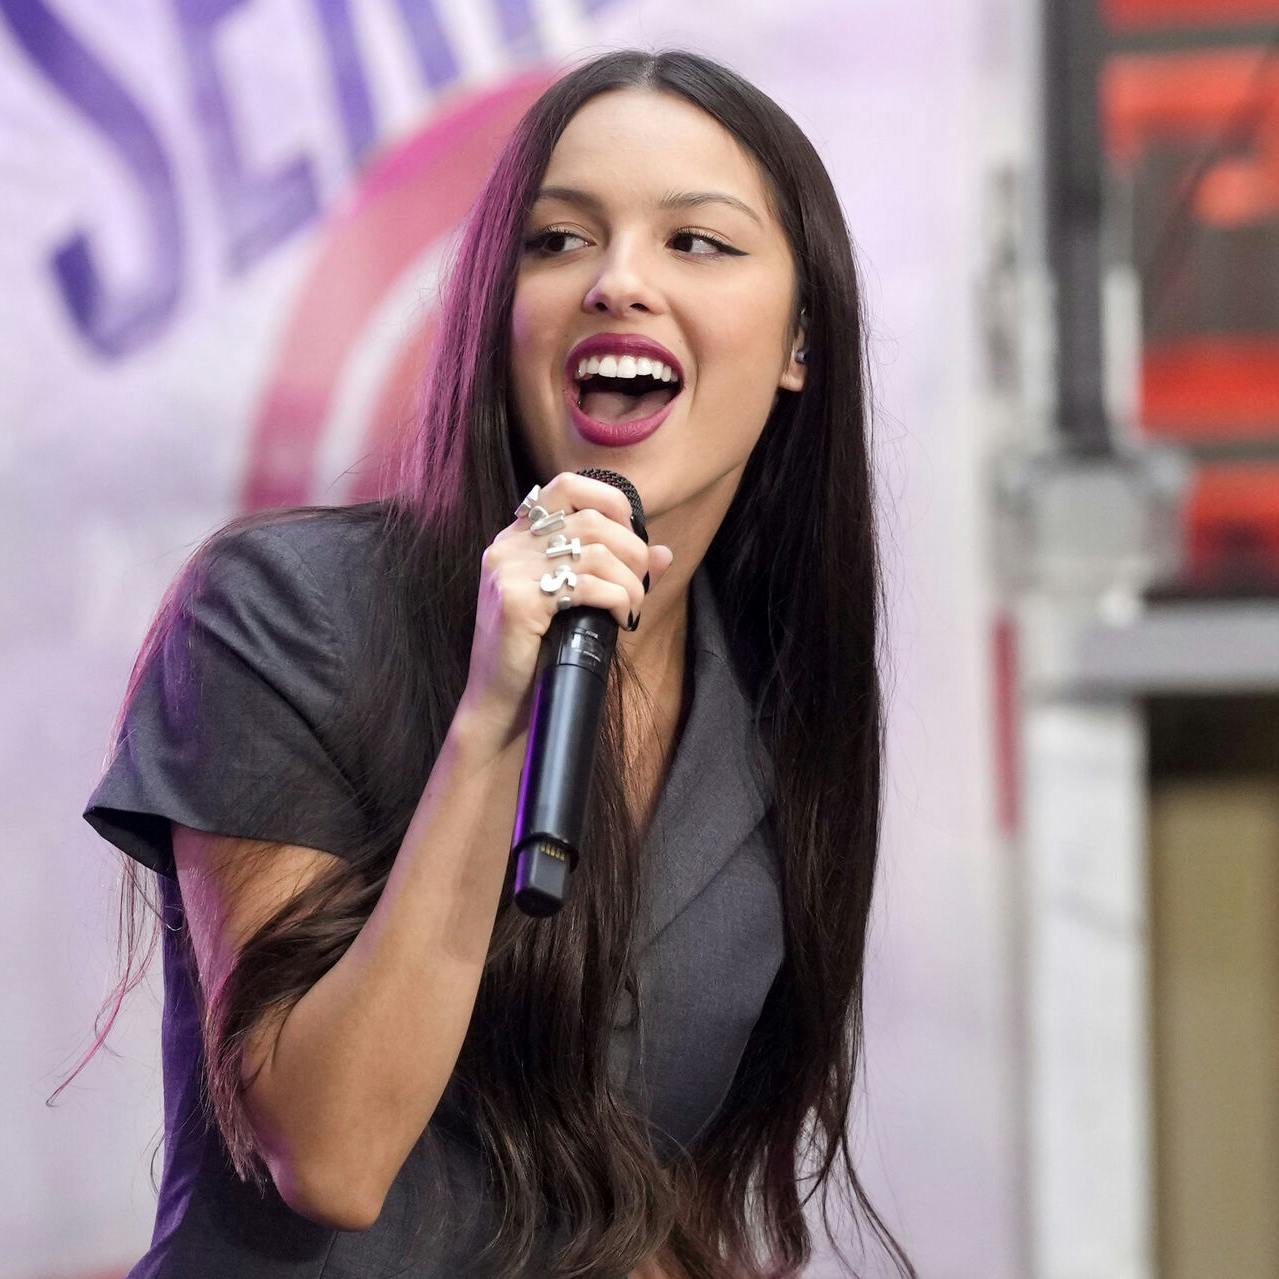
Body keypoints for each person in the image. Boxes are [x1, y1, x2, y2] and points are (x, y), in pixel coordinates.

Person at [71, 47, 915, 1279]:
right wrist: (493, 717)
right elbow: (329, 1150)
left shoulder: (766, 721)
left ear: (800, 342)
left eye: (696, 242)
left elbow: (661, 1205)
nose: (618, 281)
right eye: (558, 240)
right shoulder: (284, 613)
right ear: (494, 312)